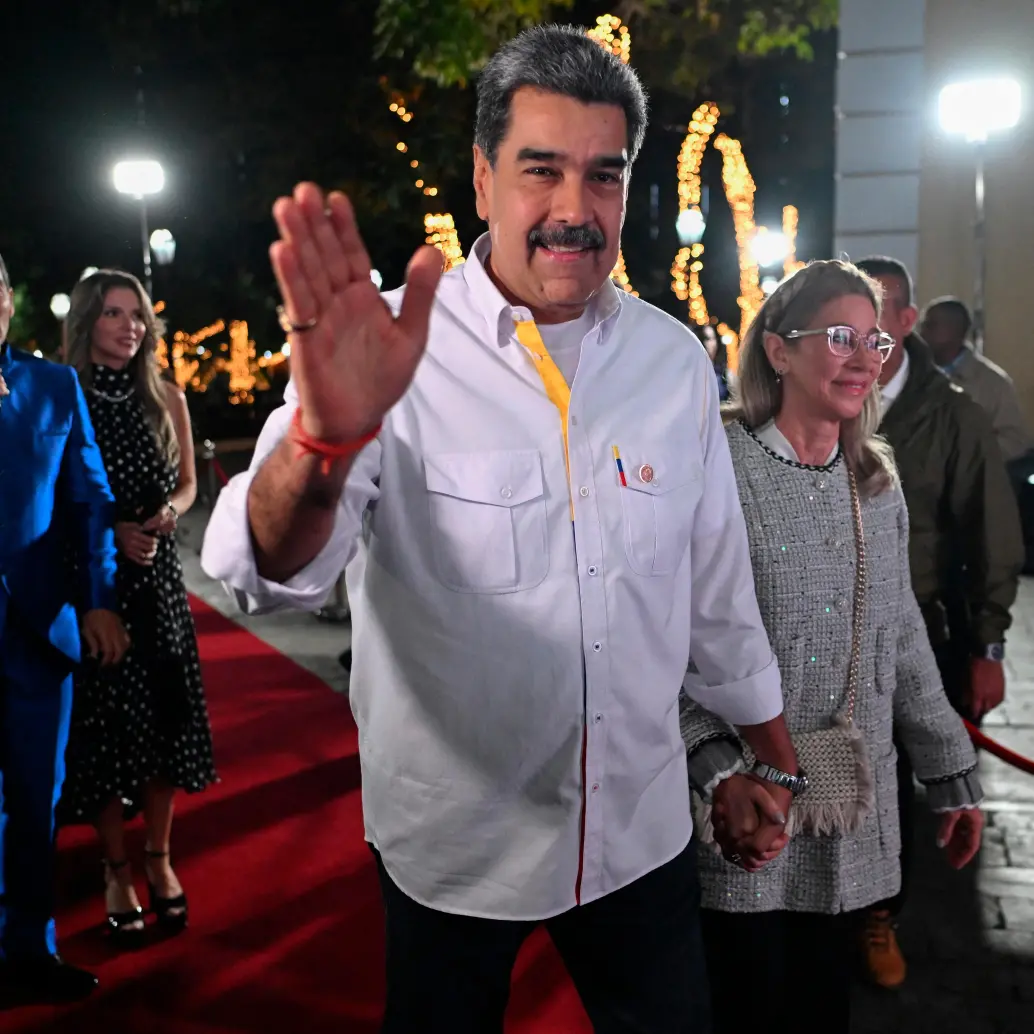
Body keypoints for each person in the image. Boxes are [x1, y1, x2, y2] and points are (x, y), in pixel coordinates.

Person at [203, 25, 799, 1032]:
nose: (575, 210)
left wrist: (769, 763)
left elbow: (712, 588)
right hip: (454, 851)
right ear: (481, 179)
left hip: (639, 834)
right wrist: (321, 441)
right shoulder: (386, 348)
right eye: (540, 171)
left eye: (602, 177)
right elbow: (266, 574)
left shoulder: (668, 359)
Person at [680, 260, 985, 1034]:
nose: (864, 357)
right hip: (745, 803)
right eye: (841, 336)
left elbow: (900, 633)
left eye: (874, 339)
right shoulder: (722, 467)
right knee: (742, 1001)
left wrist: (952, 770)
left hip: (849, 799)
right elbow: (671, 637)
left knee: (821, 1006)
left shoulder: (873, 477)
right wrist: (713, 766)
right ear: (780, 351)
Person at [853, 257, 1024, 987]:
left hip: (912, 626)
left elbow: (992, 537)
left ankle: (878, 916)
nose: (865, 326)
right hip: (815, 626)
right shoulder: (813, 392)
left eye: (881, 309)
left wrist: (987, 643)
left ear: (906, 321)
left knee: (889, 785)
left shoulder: (953, 413)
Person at [58, 270, 216, 939]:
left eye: (138, 315)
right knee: (104, 730)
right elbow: (57, 501)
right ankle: (114, 867)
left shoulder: (165, 397)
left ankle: (158, 855)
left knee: (164, 725)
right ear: (89, 321)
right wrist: (108, 534)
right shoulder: (64, 398)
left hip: (159, 585)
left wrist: (167, 517)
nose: (130, 326)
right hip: (93, 586)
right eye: (114, 313)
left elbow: (185, 487)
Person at [0, 251, 129, 1003]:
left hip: (38, 631)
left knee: (35, 799)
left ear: (10, 302)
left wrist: (100, 600)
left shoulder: (54, 385)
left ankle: (29, 952)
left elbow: (89, 503)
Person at [920, 296, 1030, 463]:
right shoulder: (915, 374)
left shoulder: (993, 383)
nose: (921, 333)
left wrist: (966, 457)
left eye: (930, 325)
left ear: (954, 330)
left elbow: (1015, 441)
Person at [700, 323, 729, 401]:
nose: (710, 344)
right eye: (707, 339)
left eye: (713, 338)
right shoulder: (696, 372)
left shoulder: (723, 371)